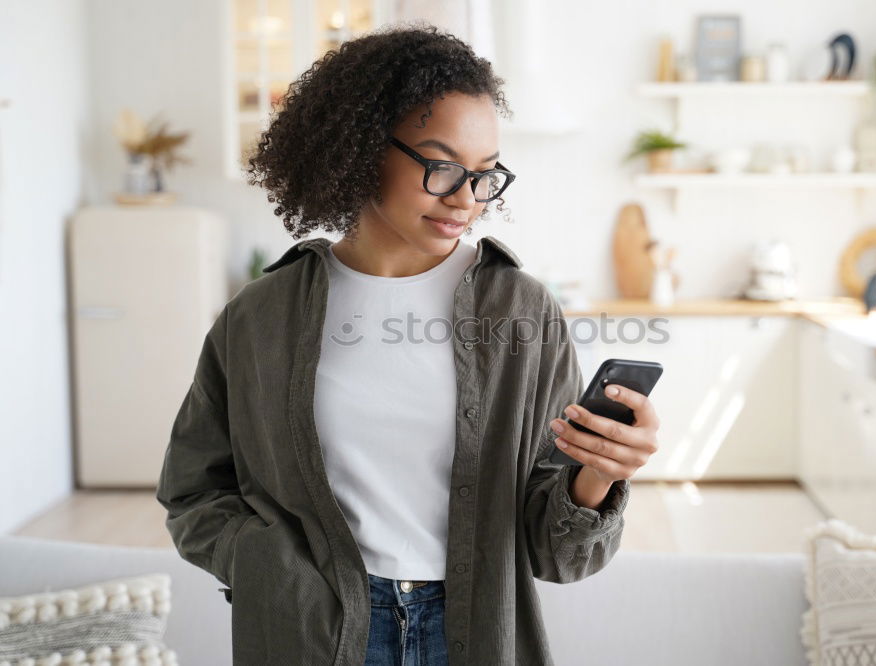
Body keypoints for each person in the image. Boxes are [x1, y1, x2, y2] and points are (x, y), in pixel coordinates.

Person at [156, 21, 661, 665]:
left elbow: (554, 553)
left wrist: (599, 473)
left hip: (473, 630)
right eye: (442, 165)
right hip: (312, 633)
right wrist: (266, 566)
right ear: (363, 147)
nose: (467, 198)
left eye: (484, 174)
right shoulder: (259, 316)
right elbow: (193, 489)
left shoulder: (520, 312)